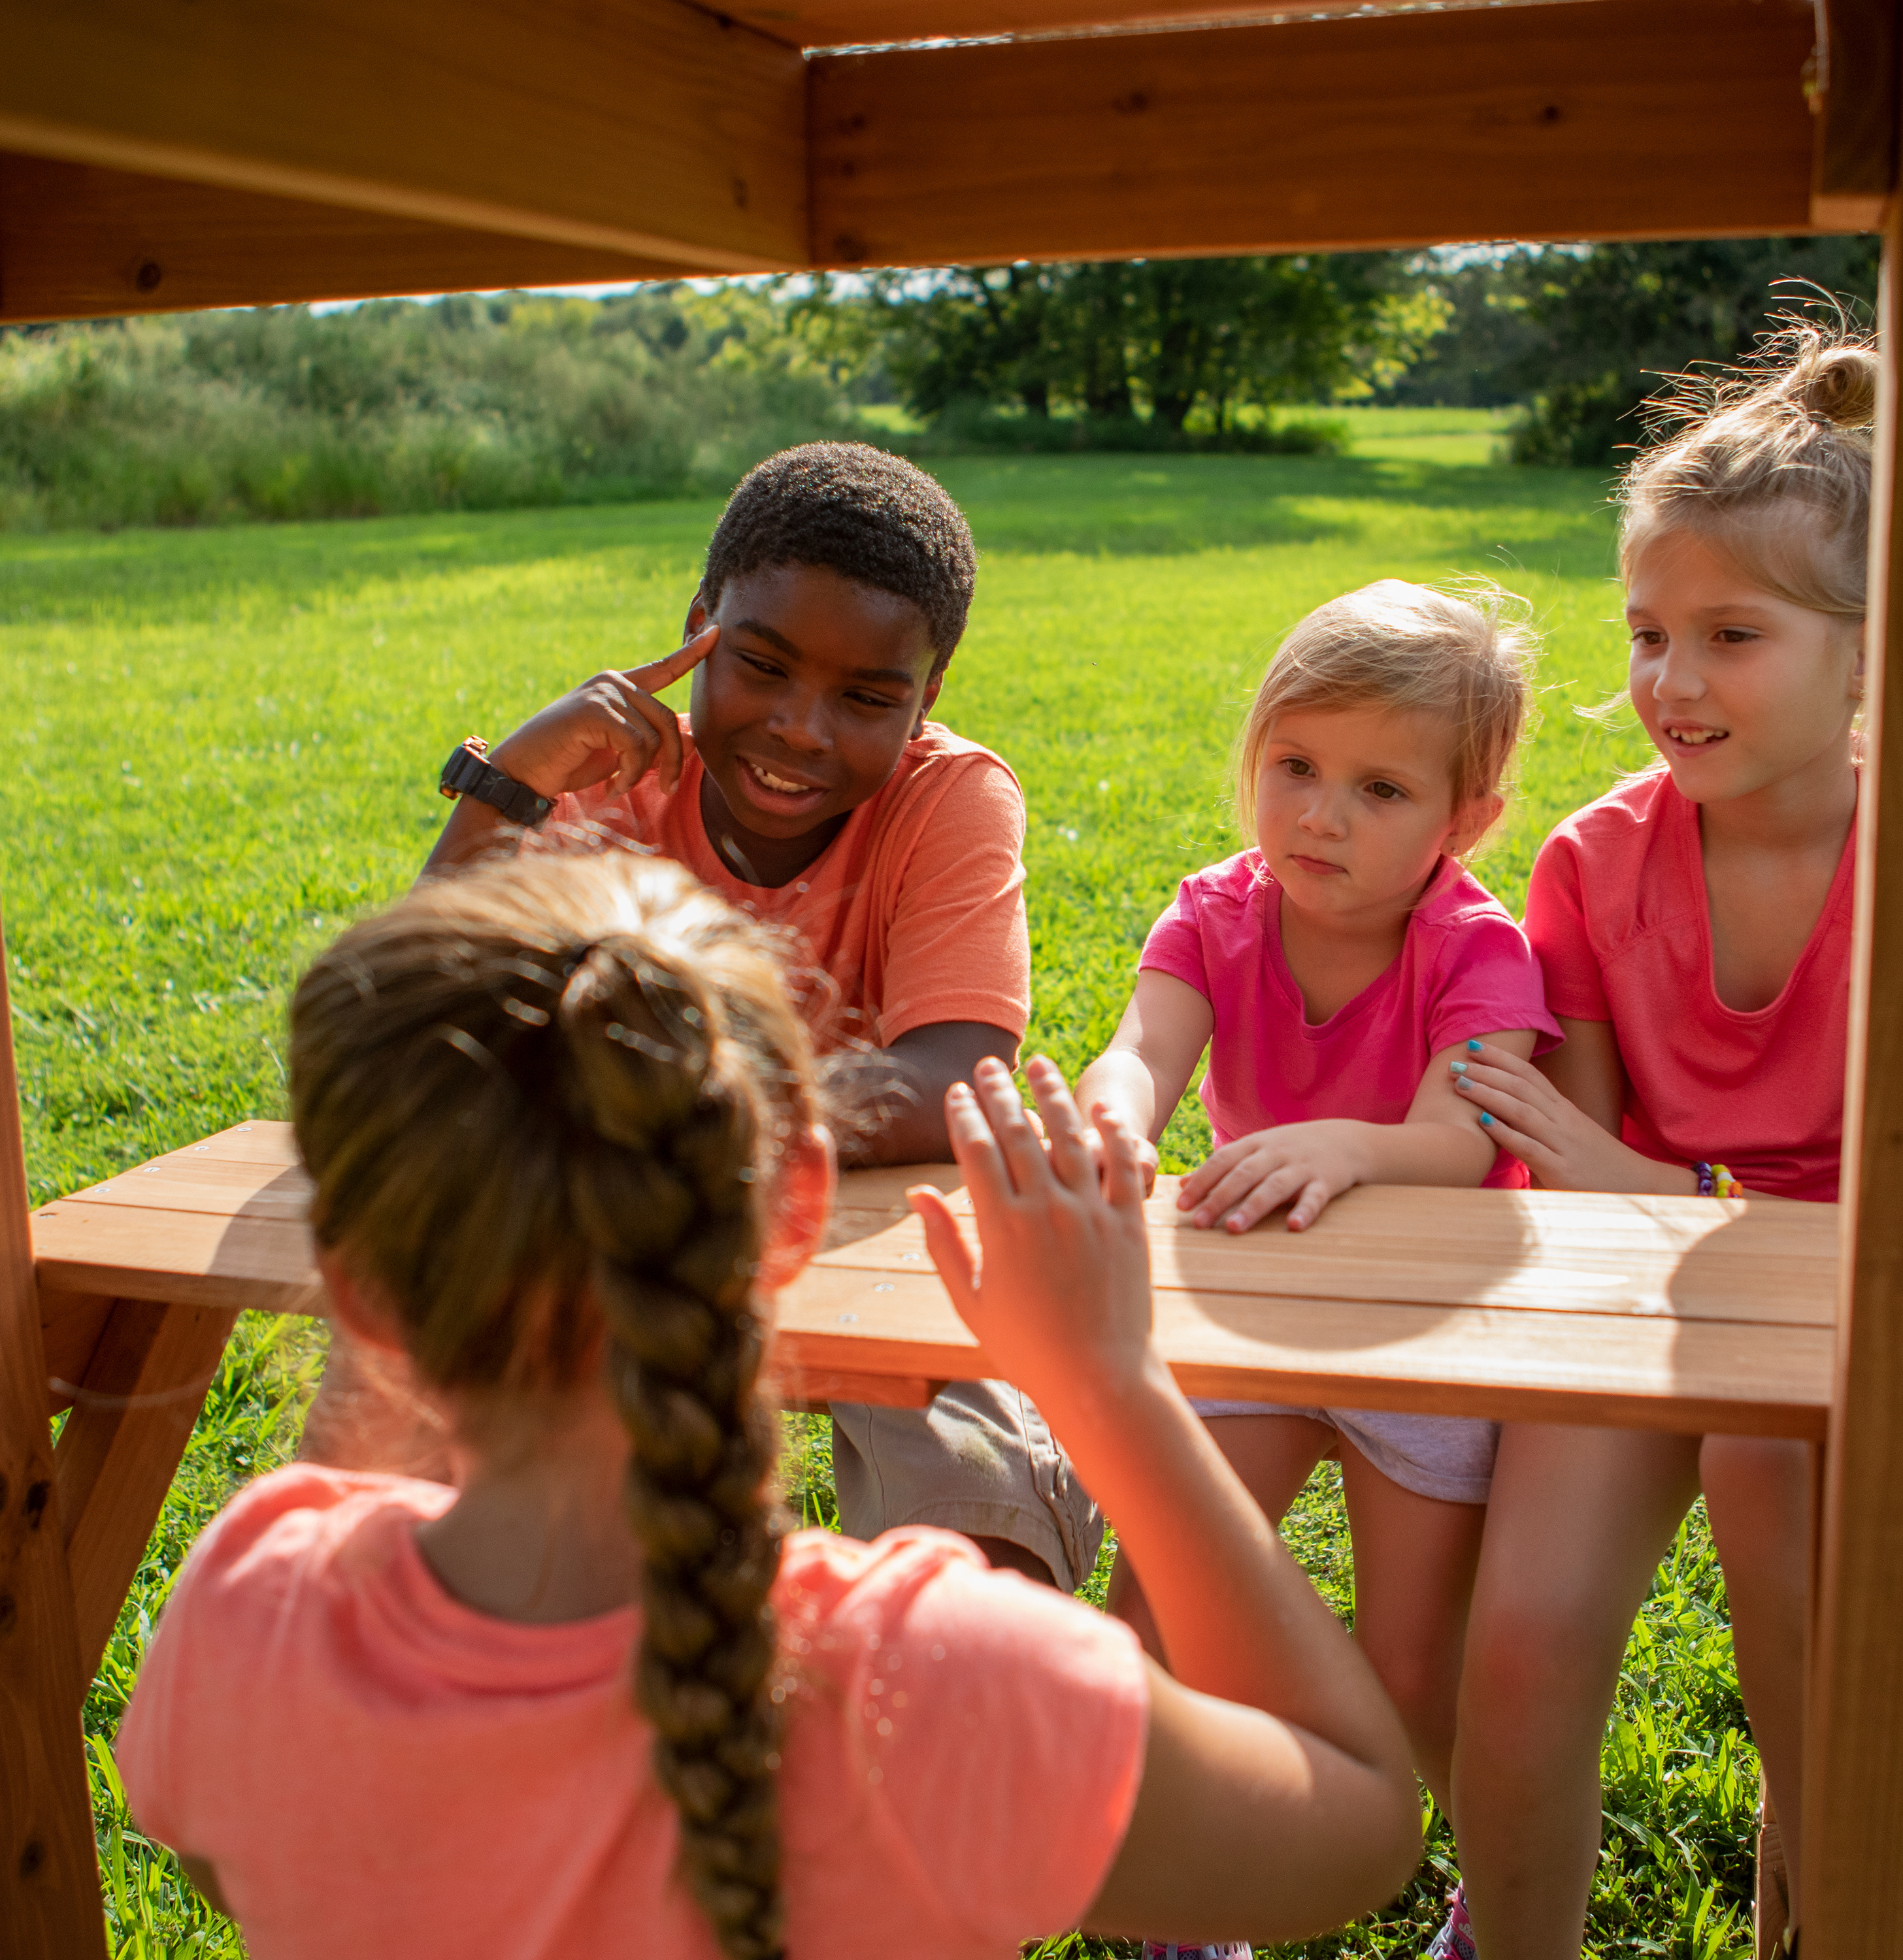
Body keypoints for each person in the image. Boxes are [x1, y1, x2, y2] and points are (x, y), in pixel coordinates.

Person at [114, 851, 1425, 1960]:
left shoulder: (246, 1606)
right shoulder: (943, 1681)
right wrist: (1109, 1384)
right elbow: (1361, 1826)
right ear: (796, 1206)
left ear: (362, 1295)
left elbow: (233, 1860)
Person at [308, 442, 1100, 1593]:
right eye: (762, 667)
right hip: (621, 1222)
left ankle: (955, 1704)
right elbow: (408, 1038)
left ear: (929, 694)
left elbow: (953, 1080)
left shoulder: (952, 796)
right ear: (697, 630)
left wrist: (673, 1113)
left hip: (871, 1229)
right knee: (394, 1476)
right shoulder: (604, 770)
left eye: (868, 697)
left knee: (975, 1516)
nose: (800, 729)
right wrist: (513, 780)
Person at [1442, 325, 1870, 1960]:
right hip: (1637, 1293)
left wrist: (1666, 1190)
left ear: (1865, 652)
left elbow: (1808, 1221)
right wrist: (1664, 1194)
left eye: (1731, 635)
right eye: (1646, 634)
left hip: (1844, 1319)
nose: (1670, 683)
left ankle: (1824, 1903)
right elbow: (1581, 1178)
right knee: (1526, 1649)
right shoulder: (1591, 866)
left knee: (1809, 1624)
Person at [1073, 579, 1561, 1956]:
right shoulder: (1217, 914)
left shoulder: (1475, 945)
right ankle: (1189, 1902)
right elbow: (1143, 1052)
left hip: (1430, 1331)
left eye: (1380, 789)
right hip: (1256, 1302)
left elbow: (1463, 1138)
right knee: (1159, 1609)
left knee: (1414, 1668)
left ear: (1466, 822)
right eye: (1294, 767)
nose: (1320, 816)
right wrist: (1112, 1117)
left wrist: (1349, 1146)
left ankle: (1499, 1897)